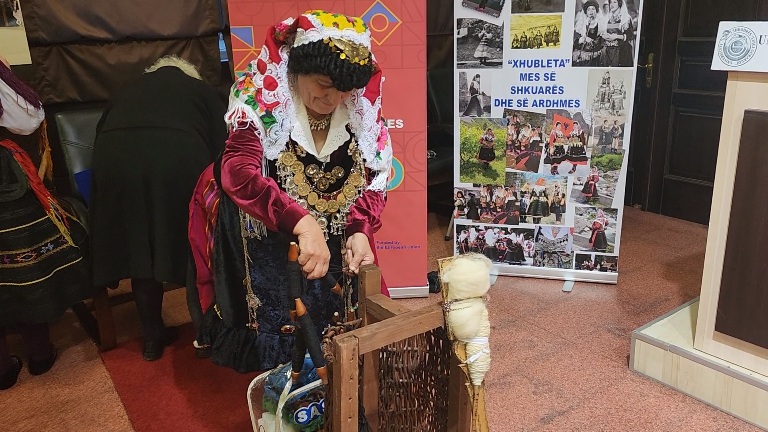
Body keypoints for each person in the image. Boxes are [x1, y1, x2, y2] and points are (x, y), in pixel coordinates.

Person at [188, 11, 393, 373]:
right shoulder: (264, 101)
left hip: (334, 240)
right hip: (270, 239)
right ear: (298, 68)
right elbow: (237, 172)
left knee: (342, 324)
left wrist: (361, 229)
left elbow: (376, 176)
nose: (333, 98)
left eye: (345, 89)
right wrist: (302, 222)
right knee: (283, 319)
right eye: (324, 83)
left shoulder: (358, 111)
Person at [90, 56, 228, 361]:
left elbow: (99, 137)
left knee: (139, 249)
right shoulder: (201, 91)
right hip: (178, 161)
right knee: (195, 248)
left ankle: (153, 338)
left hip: (115, 166)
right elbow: (224, 148)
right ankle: (205, 337)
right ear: (190, 75)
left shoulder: (126, 90)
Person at [0, 54, 91, 389]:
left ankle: (3, 368)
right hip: (6, 186)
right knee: (27, 267)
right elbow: (28, 119)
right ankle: (39, 354)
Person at [574, 0, 603, 66]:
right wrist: (583, 39)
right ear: (586, 12)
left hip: (594, 53)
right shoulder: (582, 25)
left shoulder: (599, 24)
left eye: (593, 9)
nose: (591, 11)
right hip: (582, 53)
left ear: (596, 11)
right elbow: (576, 41)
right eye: (588, 9)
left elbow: (601, 39)